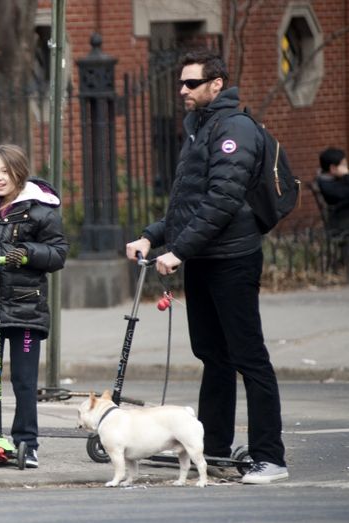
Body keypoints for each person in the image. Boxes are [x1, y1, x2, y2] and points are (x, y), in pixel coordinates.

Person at [126, 49, 288, 484]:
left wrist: (177, 251)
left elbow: (221, 201)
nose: (182, 90)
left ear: (217, 84)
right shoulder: (200, 127)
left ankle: (271, 457)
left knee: (248, 357)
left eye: (191, 83)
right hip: (203, 258)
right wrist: (152, 235)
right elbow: (189, 204)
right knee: (213, 356)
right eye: (181, 83)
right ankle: (212, 447)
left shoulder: (233, 128)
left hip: (233, 259)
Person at [0, 144, 68, 468]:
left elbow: (59, 253)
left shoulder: (42, 211)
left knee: (23, 378)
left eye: (4, 171)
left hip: (25, 309)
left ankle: (26, 443)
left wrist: (29, 253)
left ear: (18, 172)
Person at [317, 147, 349, 231]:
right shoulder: (327, 185)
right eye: (343, 165)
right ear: (333, 168)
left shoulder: (333, 180)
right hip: (342, 223)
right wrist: (346, 175)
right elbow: (345, 194)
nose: (346, 168)